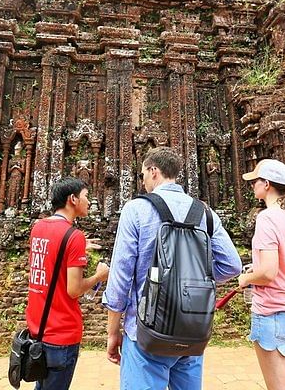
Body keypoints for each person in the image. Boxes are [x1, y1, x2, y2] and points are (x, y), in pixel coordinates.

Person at [103, 146, 242, 390]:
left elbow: (120, 279)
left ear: (154, 171)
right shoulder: (204, 212)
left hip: (146, 332)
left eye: (143, 174)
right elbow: (232, 265)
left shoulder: (136, 209)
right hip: (191, 330)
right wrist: (196, 278)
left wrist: (113, 332)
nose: (143, 180)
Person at [25, 177, 109, 390]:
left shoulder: (38, 228)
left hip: (38, 328)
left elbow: (51, 257)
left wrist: (79, 247)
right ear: (73, 199)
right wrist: (99, 276)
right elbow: (74, 290)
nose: (89, 202)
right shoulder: (74, 236)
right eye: (86, 196)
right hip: (61, 333)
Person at [239, 159, 285, 390]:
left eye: (255, 181)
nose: (252, 185)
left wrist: (246, 278)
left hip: (274, 313)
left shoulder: (267, 217)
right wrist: (258, 267)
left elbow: (269, 273)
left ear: (267, 184)